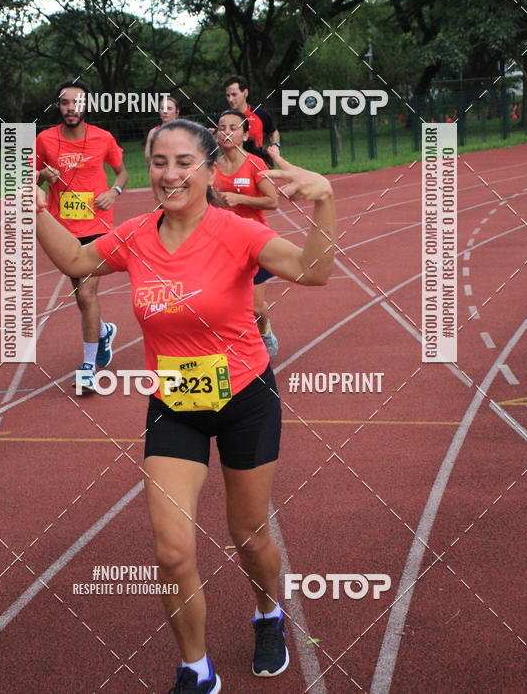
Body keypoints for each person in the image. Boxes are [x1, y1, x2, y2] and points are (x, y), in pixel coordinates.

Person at [35, 119, 335, 693]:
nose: (169, 174)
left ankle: (268, 613)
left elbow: (315, 271)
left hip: (246, 398)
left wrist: (324, 201)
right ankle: (196, 669)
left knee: (248, 534)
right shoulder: (137, 234)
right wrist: (35, 211)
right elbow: (77, 264)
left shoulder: (235, 232)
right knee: (172, 554)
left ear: (204, 168)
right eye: (159, 163)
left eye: (182, 162)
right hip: (175, 404)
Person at [35, 79, 129, 393]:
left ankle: (88, 366)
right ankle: (103, 332)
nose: (71, 108)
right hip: (62, 229)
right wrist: (41, 174)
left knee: (87, 295)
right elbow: (26, 177)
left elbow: (122, 171)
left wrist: (114, 192)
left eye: (77, 102)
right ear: (58, 106)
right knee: (80, 294)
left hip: (97, 226)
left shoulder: (103, 138)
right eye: (65, 103)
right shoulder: (45, 140)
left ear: (86, 106)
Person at [214, 109, 280, 357]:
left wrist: (239, 198)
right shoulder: (211, 167)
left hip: (253, 242)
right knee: (223, 302)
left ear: (244, 134)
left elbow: (272, 201)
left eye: (233, 127)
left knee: (255, 306)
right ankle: (235, 346)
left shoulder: (255, 164)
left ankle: (265, 331)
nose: (227, 132)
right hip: (222, 243)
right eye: (222, 127)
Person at [224, 74, 280, 151]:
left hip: (257, 161)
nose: (230, 99)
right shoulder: (223, 118)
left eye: (234, 94)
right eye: (228, 95)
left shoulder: (260, 114)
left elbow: (273, 132)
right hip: (233, 162)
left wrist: (276, 145)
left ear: (245, 93)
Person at [144, 94, 181, 161]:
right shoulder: (153, 132)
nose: (165, 111)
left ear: (177, 111)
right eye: (162, 108)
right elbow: (148, 156)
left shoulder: (186, 131)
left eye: (169, 109)